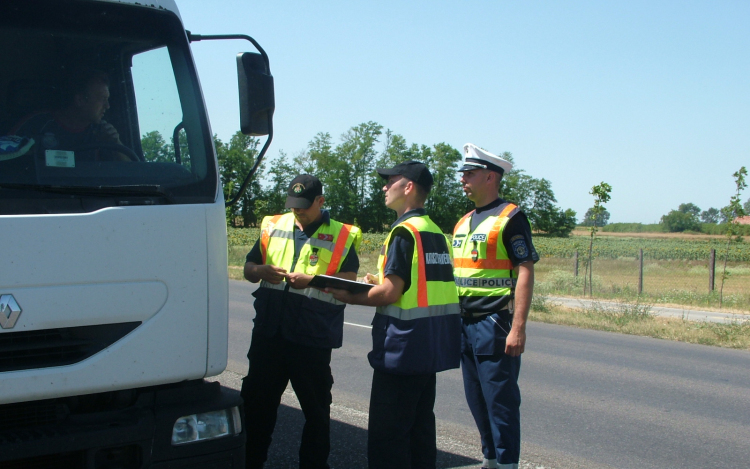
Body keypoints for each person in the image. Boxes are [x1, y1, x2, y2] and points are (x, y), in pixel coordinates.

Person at [327, 161, 461, 469]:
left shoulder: (404, 232)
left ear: (409, 187)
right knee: (420, 433)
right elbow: (419, 283)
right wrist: (380, 280)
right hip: (430, 347)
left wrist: (351, 295)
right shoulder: (434, 231)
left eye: (391, 181)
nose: (384, 186)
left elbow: (391, 293)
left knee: (388, 439)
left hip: (402, 348)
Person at [241, 174, 362, 469]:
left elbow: (348, 283)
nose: (297, 211)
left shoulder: (343, 235)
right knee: (257, 408)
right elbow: (247, 268)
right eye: (293, 205)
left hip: (312, 336)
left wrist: (313, 281)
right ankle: (250, 463)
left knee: (316, 412)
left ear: (320, 201)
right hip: (270, 334)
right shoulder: (274, 226)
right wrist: (260, 270)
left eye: (304, 206)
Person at [452, 144, 538, 469]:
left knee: (500, 402)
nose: (463, 179)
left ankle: (506, 464)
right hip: (464, 324)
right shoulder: (462, 222)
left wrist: (518, 327)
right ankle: (489, 459)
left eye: (469, 173)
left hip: (494, 323)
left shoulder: (510, 217)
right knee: (475, 399)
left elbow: (525, 269)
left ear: (490, 176)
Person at [11, 67, 129, 161]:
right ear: (80, 100)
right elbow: (6, 161)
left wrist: (116, 143)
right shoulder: (36, 124)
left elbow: (129, 172)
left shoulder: (102, 133)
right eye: (102, 99)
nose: (107, 106)